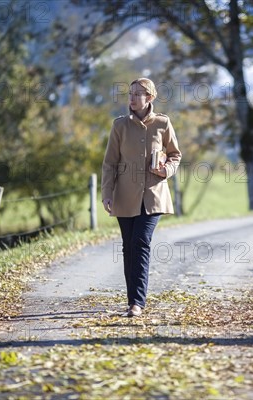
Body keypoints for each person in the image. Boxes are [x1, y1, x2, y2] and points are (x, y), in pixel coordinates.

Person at [101, 78, 181, 317]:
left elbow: (175, 155)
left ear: (150, 98)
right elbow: (109, 164)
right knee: (129, 247)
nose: (132, 99)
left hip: (154, 196)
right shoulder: (119, 126)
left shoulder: (163, 123)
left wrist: (165, 170)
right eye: (130, 94)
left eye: (138, 94)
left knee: (140, 243)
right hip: (124, 197)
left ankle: (138, 303)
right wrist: (107, 193)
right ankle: (132, 300)